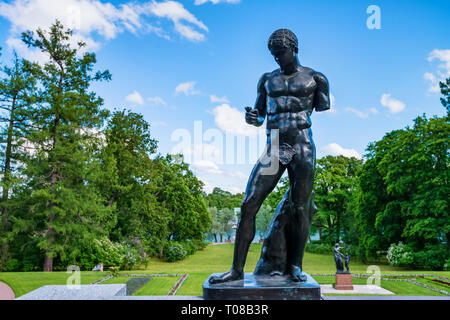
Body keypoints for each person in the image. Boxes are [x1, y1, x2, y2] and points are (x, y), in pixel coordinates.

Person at [209, 29, 330, 284]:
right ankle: (237, 271)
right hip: (275, 146)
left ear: (293, 49)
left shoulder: (316, 78)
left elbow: (319, 108)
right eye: (273, 55)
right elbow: (260, 114)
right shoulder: (266, 79)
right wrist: (254, 118)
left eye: (280, 53)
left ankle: (295, 266)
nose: (277, 59)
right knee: (249, 204)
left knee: (300, 208)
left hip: (302, 145)